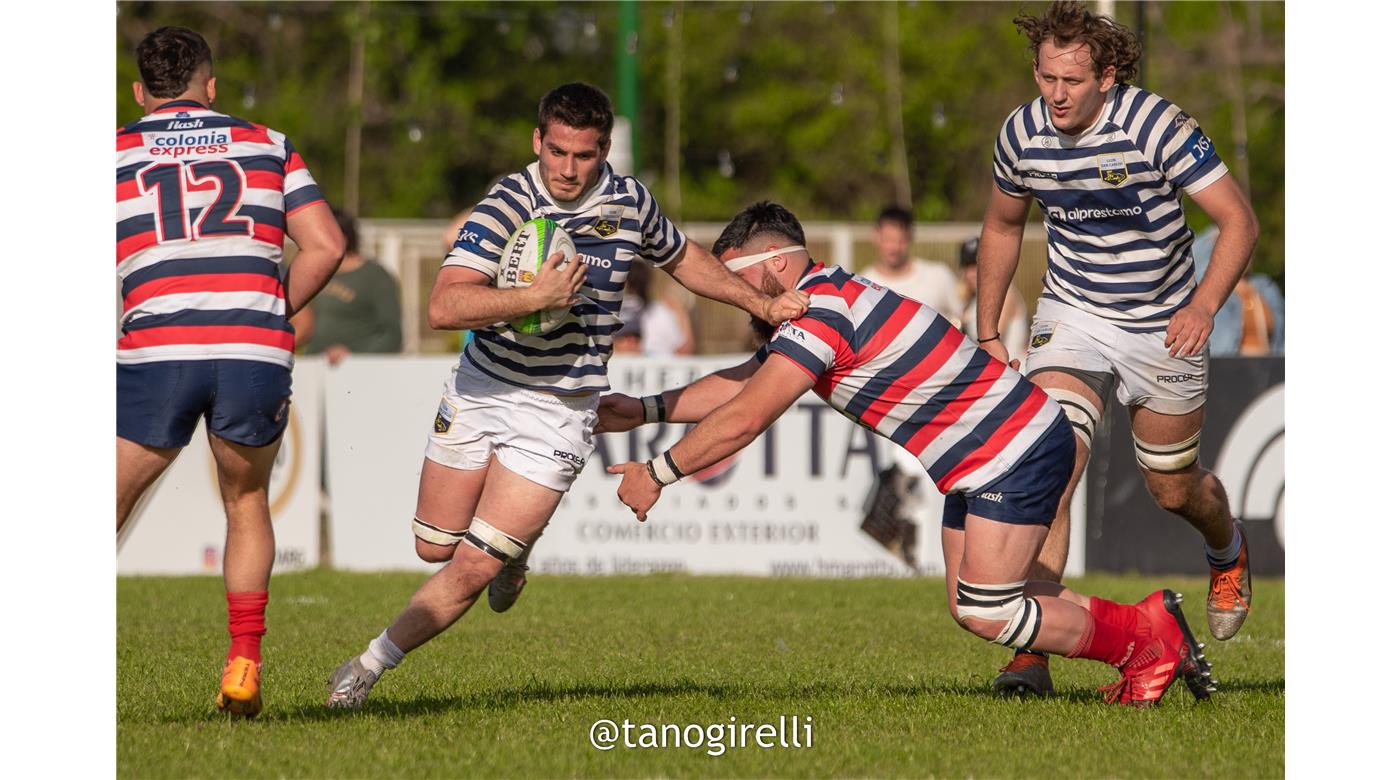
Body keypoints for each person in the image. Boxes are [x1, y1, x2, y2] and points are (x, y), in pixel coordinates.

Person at [601, 201, 1218, 707]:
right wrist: (647, 408)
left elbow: (748, 414)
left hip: (1013, 448)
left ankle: (1147, 646)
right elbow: (745, 380)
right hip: (983, 458)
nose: (735, 298)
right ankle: (1148, 624)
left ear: (778, 264)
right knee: (974, 601)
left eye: (738, 283)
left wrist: (659, 471)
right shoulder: (818, 305)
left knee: (987, 608)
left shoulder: (822, 314)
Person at [324, 83, 809, 708]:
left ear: (604, 149)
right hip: (479, 388)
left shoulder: (629, 202)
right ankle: (517, 552)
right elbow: (444, 305)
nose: (568, 169)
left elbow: (686, 259)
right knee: (434, 547)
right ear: (537, 141)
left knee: (471, 568)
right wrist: (534, 298)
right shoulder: (506, 202)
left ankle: (365, 668)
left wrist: (761, 301)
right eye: (556, 152)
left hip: (559, 409)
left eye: (583, 155)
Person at [974, 1, 1260, 696]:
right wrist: (987, 328)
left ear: (1106, 76)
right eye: (1046, 78)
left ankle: (1226, 548)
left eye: (1071, 80)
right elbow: (1003, 225)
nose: (1057, 95)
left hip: (1164, 323)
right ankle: (1030, 648)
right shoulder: (1022, 133)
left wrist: (1201, 305)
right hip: (1073, 315)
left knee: (1172, 485)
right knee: (1051, 463)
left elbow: (1238, 222)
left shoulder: (1154, 124)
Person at [116, 27, 345, 717]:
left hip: (158, 348)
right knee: (245, 504)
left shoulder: (112, 152)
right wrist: (272, 309)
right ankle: (243, 662)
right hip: (252, 349)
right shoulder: (268, 142)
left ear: (138, 92)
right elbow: (326, 245)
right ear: (211, 88)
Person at [293, 209, 404, 365]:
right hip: (314, 368)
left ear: (341, 237)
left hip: (356, 374)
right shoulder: (314, 273)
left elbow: (393, 335)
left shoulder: (376, 276)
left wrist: (354, 356)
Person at [1192, 226, 1284, 356]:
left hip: (1268, 369)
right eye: (1236, 247)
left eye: (1248, 246)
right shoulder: (1209, 289)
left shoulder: (1266, 287)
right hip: (1229, 368)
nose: (1245, 253)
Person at [860, 205, 962, 321]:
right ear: (876, 236)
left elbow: (963, 316)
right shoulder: (864, 283)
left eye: (901, 240)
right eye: (888, 239)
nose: (894, 248)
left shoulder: (938, 275)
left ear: (911, 237)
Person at [956, 236, 1029, 364]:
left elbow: (991, 340)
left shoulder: (1005, 293)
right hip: (993, 370)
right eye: (967, 266)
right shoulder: (971, 301)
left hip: (1013, 370)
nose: (972, 273)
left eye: (977, 265)